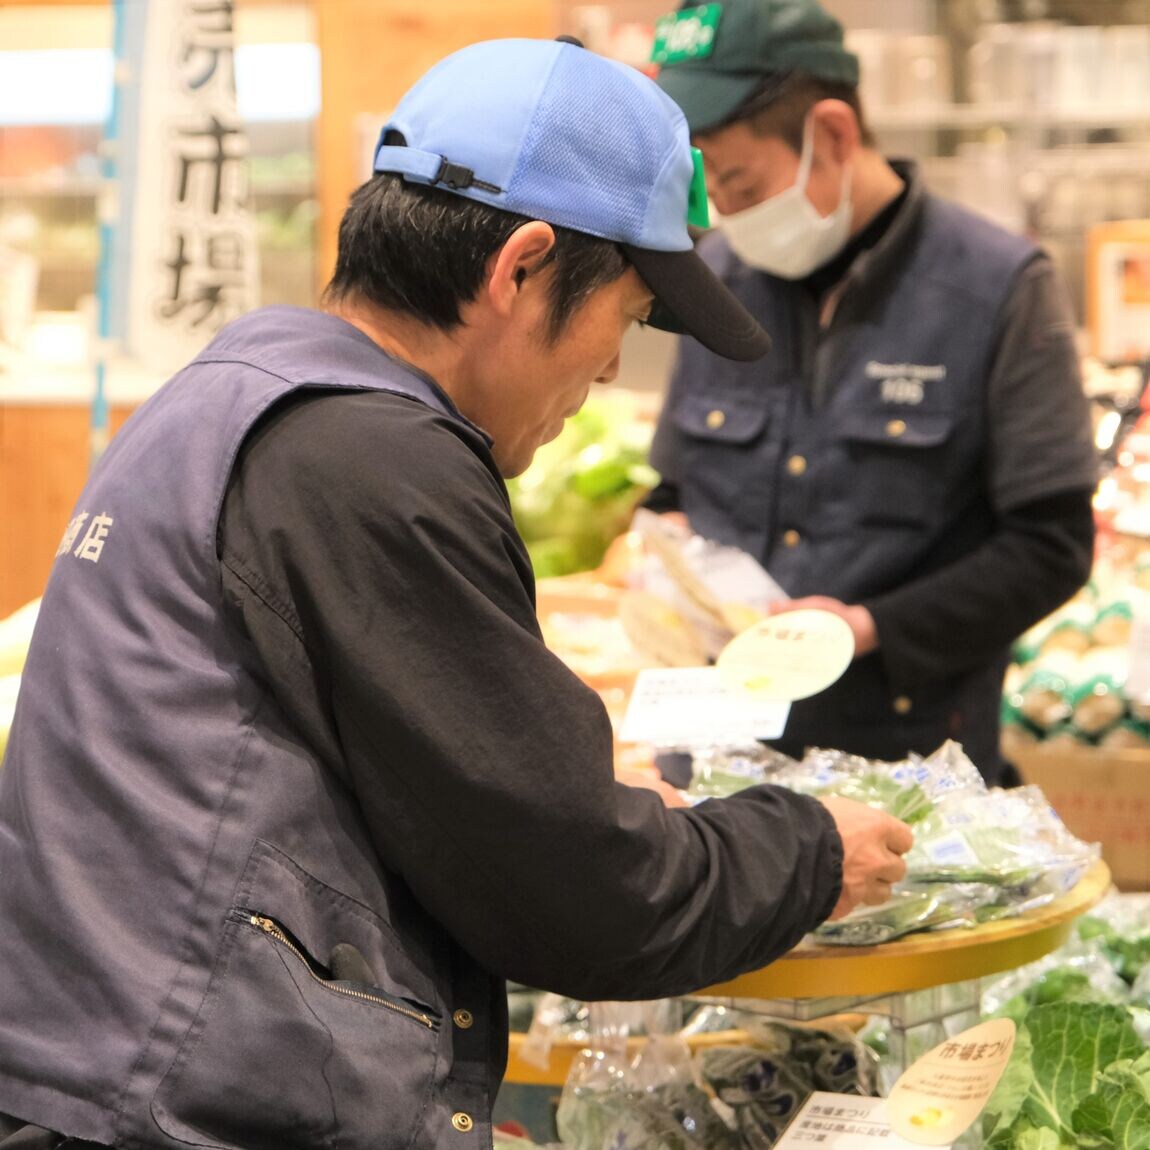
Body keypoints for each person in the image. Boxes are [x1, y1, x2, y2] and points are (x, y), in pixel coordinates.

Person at [0, 36, 912, 1150]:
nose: (610, 370)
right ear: (519, 269)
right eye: (627, 316)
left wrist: (566, 789)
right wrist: (808, 849)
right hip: (180, 1109)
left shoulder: (240, 388)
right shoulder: (373, 459)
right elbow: (578, 895)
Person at [645, 0, 1098, 783]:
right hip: (716, 756)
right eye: (705, 189)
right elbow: (672, 494)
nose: (724, 213)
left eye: (741, 182)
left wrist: (865, 628)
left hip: (907, 767)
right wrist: (660, 549)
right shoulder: (713, 282)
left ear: (833, 134)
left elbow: (1051, 546)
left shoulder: (998, 289)